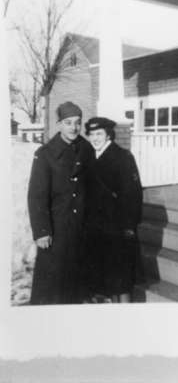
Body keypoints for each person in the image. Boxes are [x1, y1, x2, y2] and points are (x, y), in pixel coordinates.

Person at [27, 101, 93, 305]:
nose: (73, 128)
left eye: (77, 123)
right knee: (52, 286)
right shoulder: (45, 154)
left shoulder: (86, 149)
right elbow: (36, 195)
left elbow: (92, 188)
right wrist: (42, 231)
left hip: (80, 227)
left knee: (76, 286)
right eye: (68, 122)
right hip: (55, 229)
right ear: (58, 124)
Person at [80, 117, 144, 303]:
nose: (95, 138)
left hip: (116, 228)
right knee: (103, 279)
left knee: (120, 280)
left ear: (109, 134)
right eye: (91, 134)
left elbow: (133, 195)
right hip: (94, 228)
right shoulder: (89, 156)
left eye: (99, 133)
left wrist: (129, 226)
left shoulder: (122, 157)